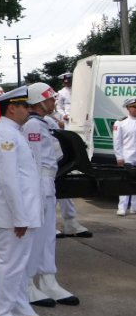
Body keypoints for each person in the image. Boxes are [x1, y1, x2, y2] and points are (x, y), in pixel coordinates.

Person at [0, 86, 55, 316]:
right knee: (10, 264)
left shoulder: (13, 132)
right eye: (25, 106)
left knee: (21, 264)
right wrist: (20, 216)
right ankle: (0, 313)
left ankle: (20, 308)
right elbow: (9, 180)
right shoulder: (4, 134)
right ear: (12, 107)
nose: (29, 109)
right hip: (14, 215)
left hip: (23, 212)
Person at [23, 83, 79, 308]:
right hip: (39, 186)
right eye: (50, 99)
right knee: (34, 238)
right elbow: (34, 161)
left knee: (47, 237)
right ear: (40, 101)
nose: (54, 102)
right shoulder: (33, 126)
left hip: (47, 185)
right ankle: (27, 284)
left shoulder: (42, 123)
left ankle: (48, 280)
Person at [54, 71, 92, 237]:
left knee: (65, 190)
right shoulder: (59, 98)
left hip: (62, 159)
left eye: (69, 79)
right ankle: (49, 225)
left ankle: (70, 222)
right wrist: (63, 116)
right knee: (48, 197)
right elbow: (60, 110)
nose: (66, 82)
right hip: (47, 166)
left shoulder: (79, 92)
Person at [113, 97, 136, 216]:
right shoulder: (121, 123)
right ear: (128, 108)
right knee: (125, 182)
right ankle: (122, 207)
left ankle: (134, 207)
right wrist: (119, 157)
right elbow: (117, 142)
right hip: (127, 156)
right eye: (134, 107)